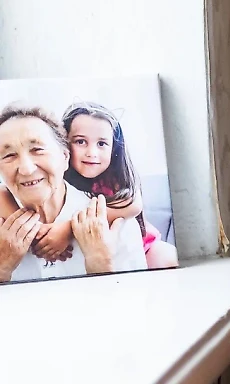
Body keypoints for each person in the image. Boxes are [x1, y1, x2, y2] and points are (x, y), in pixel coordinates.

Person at [0, 102, 179, 269]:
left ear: (64, 156)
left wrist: (69, 229)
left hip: (146, 244)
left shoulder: (115, 192)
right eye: (80, 142)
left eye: (37, 150)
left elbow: (133, 205)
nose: (91, 153)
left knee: (167, 256)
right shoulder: (59, 180)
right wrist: (34, 232)